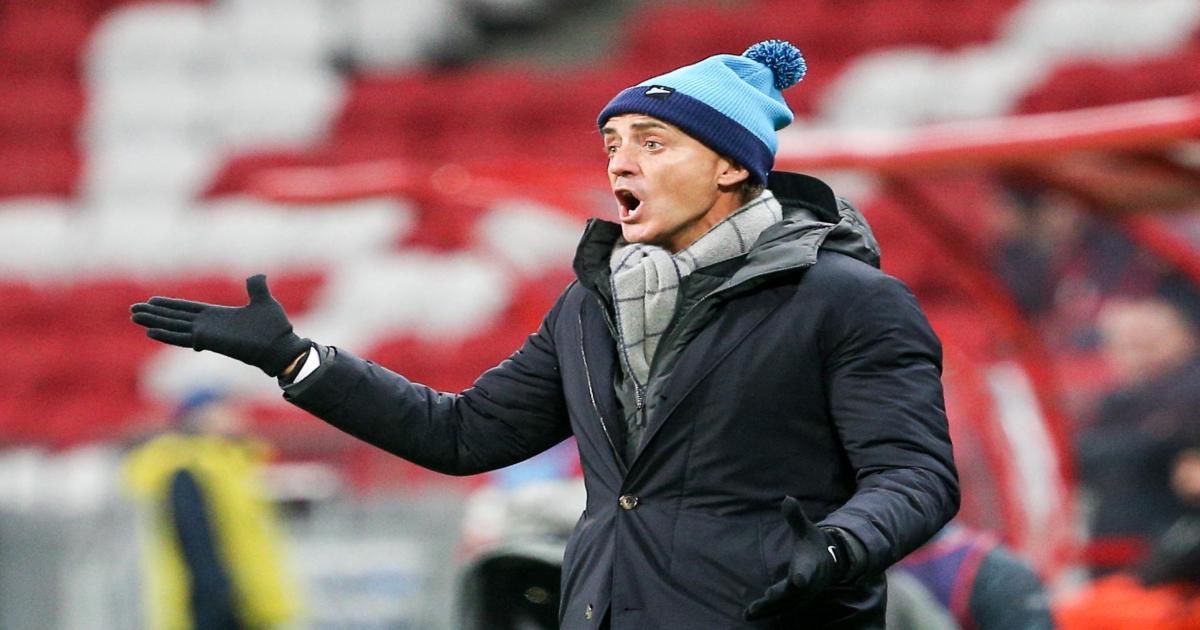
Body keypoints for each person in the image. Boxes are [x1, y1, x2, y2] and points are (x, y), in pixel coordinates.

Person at [131, 40, 959, 629]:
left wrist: (840, 545)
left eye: (652, 143)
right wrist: (298, 361)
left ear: (732, 166)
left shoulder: (848, 300)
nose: (620, 163)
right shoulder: (589, 307)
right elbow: (461, 433)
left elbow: (917, 474)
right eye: (612, 144)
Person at [123, 389, 302, 630]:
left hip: (245, 600)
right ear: (199, 417)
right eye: (223, 409)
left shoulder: (229, 464)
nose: (236, 416)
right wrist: (219, 599)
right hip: (218, 605)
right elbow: (196, 540)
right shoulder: (187, 468)